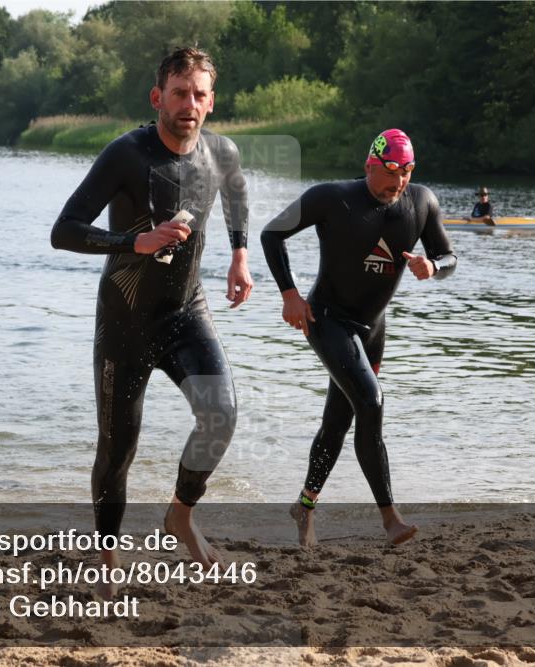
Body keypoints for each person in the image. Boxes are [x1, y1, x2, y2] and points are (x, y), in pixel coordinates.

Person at [50, 47, 252, 596]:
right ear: (157, 96)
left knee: (222, 413)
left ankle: (180, 514)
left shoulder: (222, 152)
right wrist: (131, 241)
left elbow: (234, 194)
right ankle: (106, 553)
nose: (190, 104)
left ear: (212, 102)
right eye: (180, 93)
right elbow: (63, 230)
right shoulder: (127, 154)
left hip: (187, 310)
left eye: (200, 95)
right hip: (125, 320)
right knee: (118, 448)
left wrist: (239, 255)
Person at [260, 128, 456, 547]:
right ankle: (391, 520)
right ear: (369, 166)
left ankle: (304, 507)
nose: (398, 182)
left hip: (373, 330)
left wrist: (433, 268)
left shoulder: (422, 202)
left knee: (339, 420)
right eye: (389, 172)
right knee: (371, 400)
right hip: (327, 319)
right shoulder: (332, 198)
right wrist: (290, 294)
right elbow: (271, 235)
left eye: (405, 173)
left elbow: (448, 256)